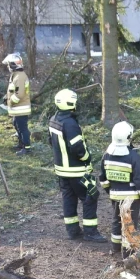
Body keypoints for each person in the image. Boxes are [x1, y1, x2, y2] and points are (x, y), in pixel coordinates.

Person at [48, 89, 105, 242]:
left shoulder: (53, 119)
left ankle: (72, 231)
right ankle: (90, 232)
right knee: (90, 196)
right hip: (77, 171)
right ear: (72, 103)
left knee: (69, 198)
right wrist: (87, 158)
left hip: (61, 171)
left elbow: (50, 141)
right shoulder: (70, 124)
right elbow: (77, 147)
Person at [97, 121, 140, 256]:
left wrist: (110, 191)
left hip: (115, 196)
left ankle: (116, 247)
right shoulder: (133, 157)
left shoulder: (107, 155)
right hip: (131, 199)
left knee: (117, 221)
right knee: (129, 224)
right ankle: (128, 252)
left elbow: (102, 178)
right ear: (129, 137)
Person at [2, 53, 32, 155]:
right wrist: (6, 97)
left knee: (22, 129)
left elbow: (19, 94)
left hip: (21, 108)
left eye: (8, 64)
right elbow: (13, 90)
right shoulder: (16, 75)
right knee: (17, 125)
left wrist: (10, 102)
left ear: (13, 64)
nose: (8, 66)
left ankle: (27, 148)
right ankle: (21, 144)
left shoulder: (19, 77)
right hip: (17, 108)